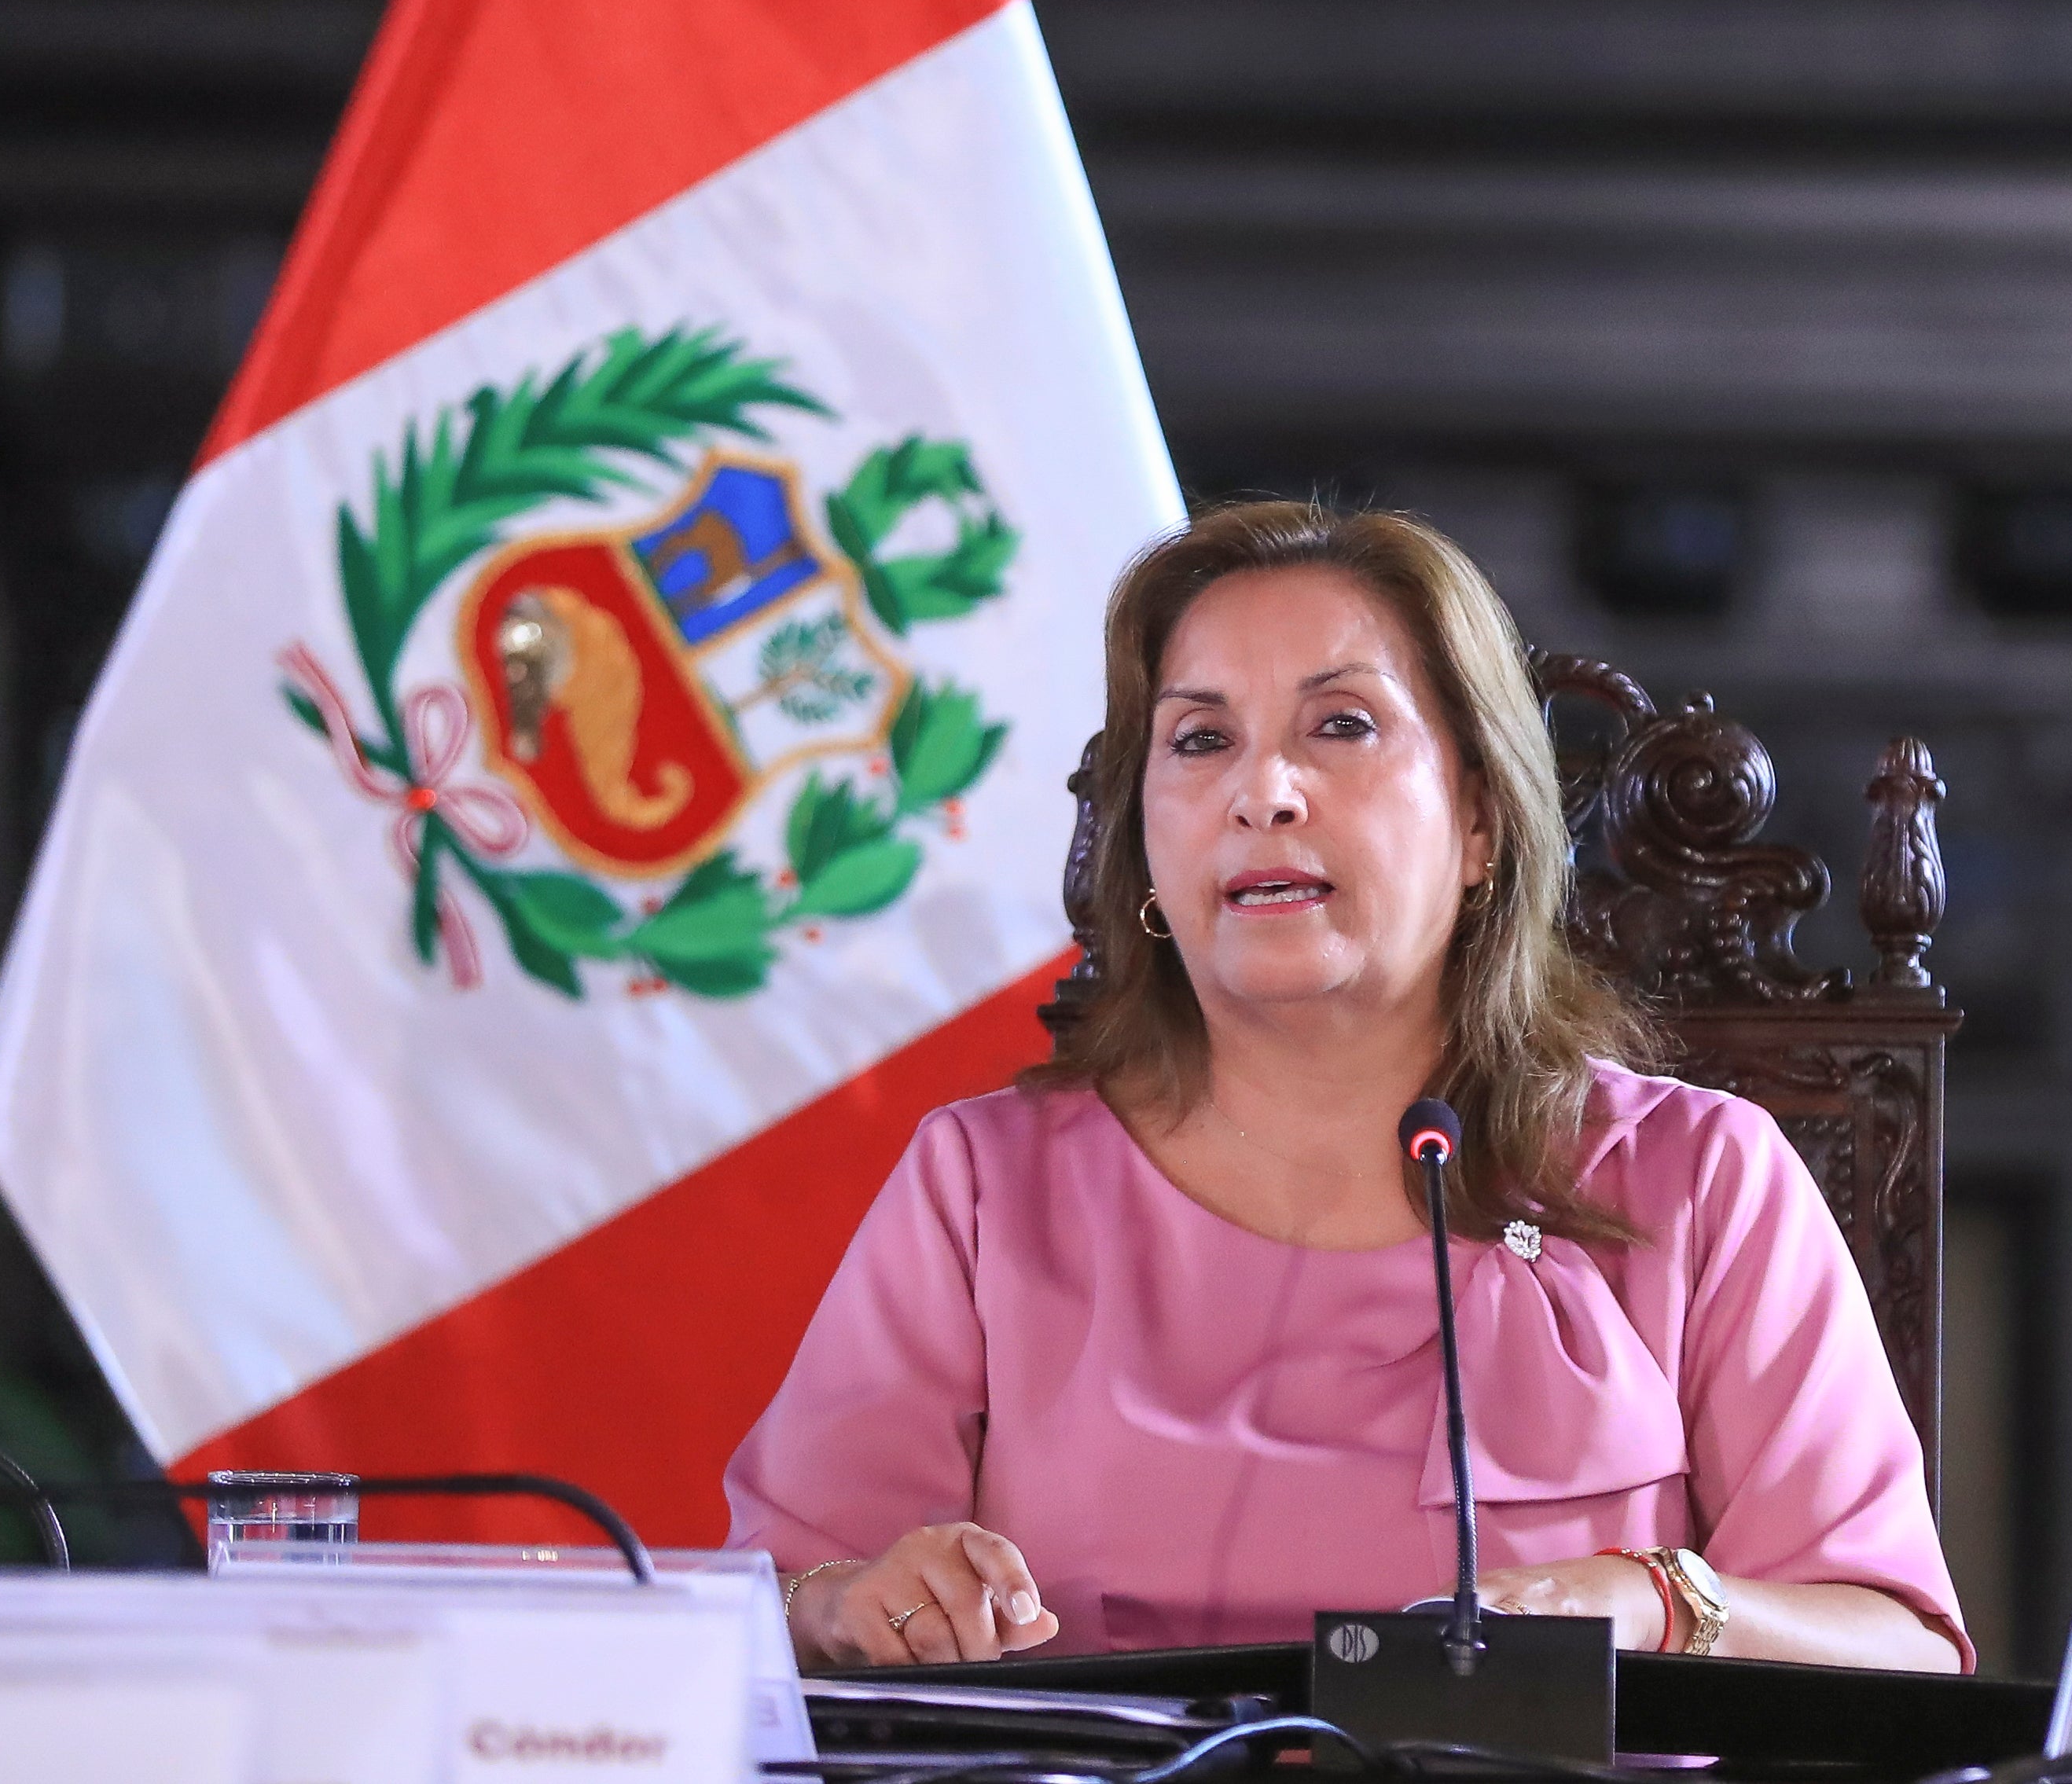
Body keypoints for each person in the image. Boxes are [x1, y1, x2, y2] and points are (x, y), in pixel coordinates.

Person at [724, 500, 1967, 1676]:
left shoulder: (1698, 1177)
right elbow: (771, 1600)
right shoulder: (985, 1185)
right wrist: (851, 1601)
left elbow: (1899, 1646)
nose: (1261, 792)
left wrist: (1658, 1601)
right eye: (1200, 739)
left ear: (1480, 820)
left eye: (1341, 725)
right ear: (1145, 846)